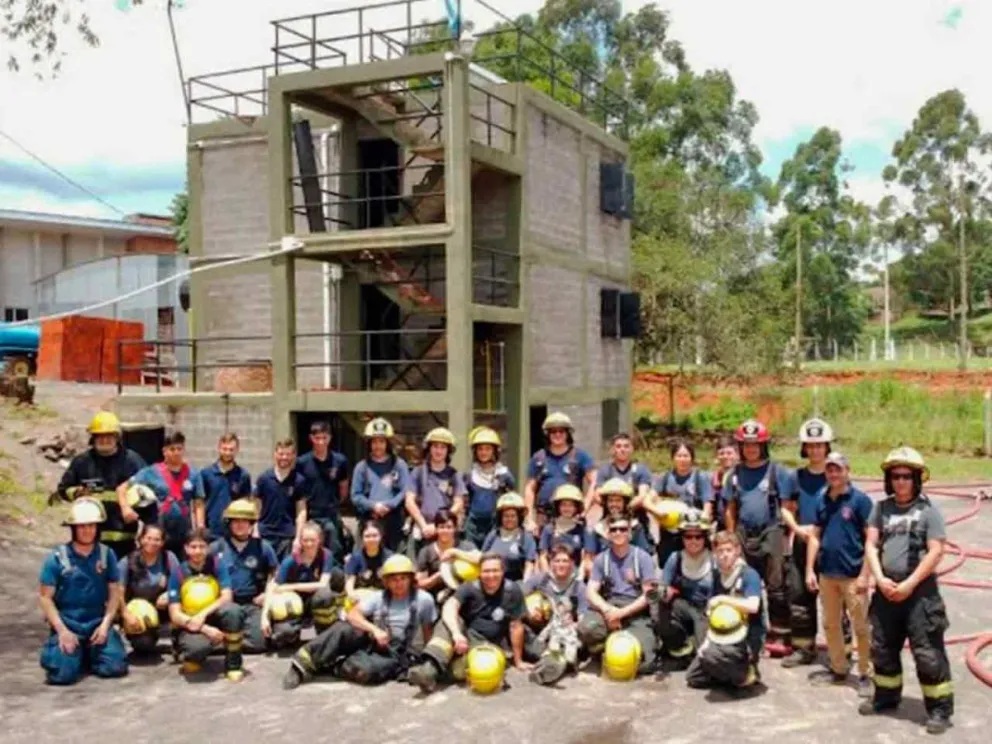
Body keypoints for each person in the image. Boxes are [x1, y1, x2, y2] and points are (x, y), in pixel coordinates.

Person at [860, 447, 953, 735]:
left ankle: (939, 709)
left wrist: (909, 584)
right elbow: (871, 545)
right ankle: (886, 697)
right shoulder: (881, 509)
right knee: (883, 648)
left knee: (927, 652)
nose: (900, 481)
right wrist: (879, 579)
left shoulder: (928, 512)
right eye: (895, 476)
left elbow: (936, 551)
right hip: (887, 591)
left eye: (906, 476)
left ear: (916, 479)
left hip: (919, 594)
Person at [282, 554, 437, 689]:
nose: (399, 583)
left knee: (367, 672)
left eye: (403, 578)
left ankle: (334, 667)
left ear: (411, 579)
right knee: (344, 628)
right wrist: (374, 630)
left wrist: (426, 661)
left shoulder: (424, 600)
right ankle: (300, 665)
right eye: (394, 579)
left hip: (396, 655)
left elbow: (427, 631)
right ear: (386, 582)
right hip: (373, 642)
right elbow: (352, 615)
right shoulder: (378, 597)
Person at [407, 553, 531, 693]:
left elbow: (516, 626)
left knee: (466, 670)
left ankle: (438, 674)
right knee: (448, 622)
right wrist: (457, 634)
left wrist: (518, 660)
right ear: (480, 572)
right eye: (486, 571)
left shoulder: (512, 590)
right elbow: (450, 606)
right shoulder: (469, 587)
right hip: (464, 636)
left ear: (503, 571)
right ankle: (428, 670)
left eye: (495, 570)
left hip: (486, 644)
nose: (491, 575)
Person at [723, 419, 796, 654]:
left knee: (776, 585)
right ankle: (751, 632)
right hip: (744, 532)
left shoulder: (778, 471)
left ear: (763, 446)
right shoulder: (734, 474)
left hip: (771, 530)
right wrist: (731, 536)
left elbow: (788, 505)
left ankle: (780, 635)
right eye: (746, 445)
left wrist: (786, 538)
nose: (750, 449)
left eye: (755, 445)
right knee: (745, 582)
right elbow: (730, 507)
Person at [38, 498, 129, 686]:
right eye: (81, 526)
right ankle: (67, 654)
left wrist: (105, 625)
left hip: (96, 623)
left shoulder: (106, 554)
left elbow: (114, 592)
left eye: (91, 526)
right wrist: (62, 631)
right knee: (62, 675)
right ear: (73, 528)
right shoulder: (57, 558)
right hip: (68, 624)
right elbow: (45, 598)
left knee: (114, 668)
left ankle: (88, 654)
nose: (87, 531)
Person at [805, 452, 873, 697]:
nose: (834, 474)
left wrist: (866, 574)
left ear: (848, 471)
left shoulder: (861, 501)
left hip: (854, 575)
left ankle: (866, 673)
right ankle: (838, 668)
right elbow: (815, 535)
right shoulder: (822, 499)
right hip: (827, 575)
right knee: (831, 625)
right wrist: (809, 569)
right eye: (830, 470)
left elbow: (871, 540)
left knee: (861, 627)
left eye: (838, 469)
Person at [54, 411, 146, 560]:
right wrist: (77, 492)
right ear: (93, 438)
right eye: (100, 436)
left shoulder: (132, 461)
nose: (105, 440)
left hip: (123, 540)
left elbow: (148, 490)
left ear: (117, 437)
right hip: (88, 539)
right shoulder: (82, 462)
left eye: (109, 436)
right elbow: (63, 489)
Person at [578, 515, 659, 677]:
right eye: (614, 529)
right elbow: (591, 591)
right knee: (586, 628)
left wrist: (621, 614)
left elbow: (649, 595)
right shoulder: (602, 559)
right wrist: (608, 611)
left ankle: (637, 640)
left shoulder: (642, 558)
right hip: (610, 606)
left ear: (629, 533)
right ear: (608, 534)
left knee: (646, 663)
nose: (618, 533)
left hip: (635, 611)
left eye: (623, 529)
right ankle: (600, 649)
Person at [782, 417, 833, 668]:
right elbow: (786, 509)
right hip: (803, 544)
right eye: (810, 445)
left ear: (827, 447)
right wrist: (796, 529)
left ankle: (839, 652)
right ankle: (803, 648)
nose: (815, 450)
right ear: (804, 448)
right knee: (800, 596)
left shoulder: (836, 474)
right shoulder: (795, 477)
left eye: (820, 445)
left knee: (835, 599)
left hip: (831, 546)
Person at [685, 531, 764, 690]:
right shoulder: (716, 576)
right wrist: (705, 643)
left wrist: (723, 600)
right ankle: (728, 675)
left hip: (746, 638)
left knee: (710, 657)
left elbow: (753, 606)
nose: (724, 555)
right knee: (693, 677)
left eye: (728, 550)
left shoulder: (749, 574)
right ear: (714, 553)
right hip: (721, 635)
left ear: (737, 551)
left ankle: (745, 672)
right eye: (720, 551)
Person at [167, 528, 245, 681]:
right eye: (193, 547)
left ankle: (233, 664)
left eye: (202, 547)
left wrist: (203, 615)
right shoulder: (178, 572)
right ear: (186, 548)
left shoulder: (217, 565)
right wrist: (204, 628)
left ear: (208, 548)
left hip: (210, 615)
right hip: (190, 622)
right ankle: (186, 651)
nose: (198, 551)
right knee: (197, 650)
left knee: (234, 611)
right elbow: (174, 614)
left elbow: (227, 596)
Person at [209, 499, 280, 655]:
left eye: (244, 521)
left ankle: (227, 642)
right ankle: (229, 639)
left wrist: (267, 594)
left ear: (251, 524)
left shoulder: (263, 547)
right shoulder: (216, 548)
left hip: (251, 604)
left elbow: (274, 575)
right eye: (235, 521)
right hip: (225, 605)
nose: (240, 525)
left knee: (259, 644)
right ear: (229, 524)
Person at [119, 428, 201, 558]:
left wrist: (199, 530)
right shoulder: (150, 473)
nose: (176, 453)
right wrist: (125, 508)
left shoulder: (194, 474)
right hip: (157, 534)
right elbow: (122, 488)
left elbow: (198, 504)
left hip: (183, 534)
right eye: (172, 449)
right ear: (164, 451)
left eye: (179, 449)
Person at [264, 521, 345, 649]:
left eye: (313, 540)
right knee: (284, 634)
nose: (309, 544)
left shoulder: (326, 555)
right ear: (300, 541)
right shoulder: (290, 561)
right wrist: (265, 617)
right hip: (294, 606)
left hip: (314, 601)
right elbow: (272, 587)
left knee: (325, 594)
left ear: (320, 540)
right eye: (305, 540)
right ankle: (297, 631)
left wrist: (291, 586)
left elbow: (323, 584)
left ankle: (324, 634)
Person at [656, 509, 715, 671]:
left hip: (708, 612)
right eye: (688, 536)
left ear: (705, 537)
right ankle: (678, 646)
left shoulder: (715, 560)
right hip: (684, 609)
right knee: (658, 607)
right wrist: (664, 594)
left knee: (705, 654)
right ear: (681, 538)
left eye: (698, 536)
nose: (693, 541)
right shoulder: (675, 558)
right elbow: (661, 587)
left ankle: (694, 651)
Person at [524, 540, 588, 686]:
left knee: (563, 652)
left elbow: (583, 615)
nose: (561, 564)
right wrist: (529, 612)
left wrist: (575, 625)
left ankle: (548, 669)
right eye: (557, 560)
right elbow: (518, 597)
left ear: (572, 563)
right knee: (523, 631)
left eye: (565, 561)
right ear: (551, 563)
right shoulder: (540, 579)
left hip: (566, 635)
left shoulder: (579, 586)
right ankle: (549, 661)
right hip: (543, 631)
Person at [524, 412, 596, 534]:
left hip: (571, 517)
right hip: (544, 517)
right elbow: (530, 489)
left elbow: (595, 482)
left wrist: (585, 507)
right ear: (548, 434)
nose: (557, 434)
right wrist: (529, 518)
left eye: (561, 431)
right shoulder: (539, 457)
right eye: (553, 431)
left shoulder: (580, 456)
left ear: (568, 433)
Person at [648, 438, 713, 569]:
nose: (682, 459)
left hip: (693, 533)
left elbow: (708, 503)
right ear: (673, 458)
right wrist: (656, 512)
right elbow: (647, 500)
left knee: (695, 568)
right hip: (670, 533)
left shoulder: (700, 477)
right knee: (669, 568)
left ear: (692, 458)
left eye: (686, 456)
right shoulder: (665, 478)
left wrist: (705, 519)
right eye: (679, 455)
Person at [118, 522, 181, 657]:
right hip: (137, 614)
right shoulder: (127, 562)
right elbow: (117, 592)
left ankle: (176, 636)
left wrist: (170, 594)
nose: (152, 542)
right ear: (140, 539)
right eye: (148, 538)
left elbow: (181, 584)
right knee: (143, 645)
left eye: (157, 539)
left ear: (163, 542)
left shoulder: (169, 558)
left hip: (164, 610)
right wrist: (126, 615)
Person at [351, 417, 411, 553]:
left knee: (395, 559)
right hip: (369, 520)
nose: (378, 446)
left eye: (382, 441)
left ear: (388, 443)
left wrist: (389, 505)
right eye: (374, 442)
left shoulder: (399, 465)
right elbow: (355, 496)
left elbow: (405, 490)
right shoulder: (362, 467)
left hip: (393, 520)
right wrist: (373, 505)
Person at [405, 427, 466, 558]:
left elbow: (458, 503)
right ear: (429, 448)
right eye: (435, 446)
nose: (439, 451)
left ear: (448, 451)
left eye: (443, 447)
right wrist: (423, 525)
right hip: (421, 531)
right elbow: (409, 501)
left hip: (446, 531)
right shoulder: (418, 472)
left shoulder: (454, 475)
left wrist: (439, 526)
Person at [295, 421, 351, 565]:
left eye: (324, 438)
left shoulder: (339, 461)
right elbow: (298, 491)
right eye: (317, 438)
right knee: (310, 550)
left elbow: (343, 486)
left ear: (330, 438)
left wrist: (336, 503)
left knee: (335, 551)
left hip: (331, 514)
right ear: (311, 438)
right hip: (311, 515)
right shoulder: (302, 462)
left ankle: (335, 580)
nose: (321, 442)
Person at [458, 427, 515, 548]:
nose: (483, 452)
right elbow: (464, 502)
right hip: (473, 525)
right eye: (480, 449)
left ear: (495, 451)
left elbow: (511, 501)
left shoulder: (504, 475)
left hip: (495, 524)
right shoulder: (469, 475)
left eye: (488, 449)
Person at [252, 439, 307, 561]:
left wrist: (298, 538)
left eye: (288, 454)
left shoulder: (299, 481)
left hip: (287, 536)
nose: (284, 457)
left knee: (285, 575)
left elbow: (301, 511)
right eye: (281, 454)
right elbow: (255, 509)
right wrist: (255, 532)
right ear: (275, 454)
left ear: (293, 455)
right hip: (265, 535)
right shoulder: (264, 479)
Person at [583, 478, 651, 577]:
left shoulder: (635, 527)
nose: (614, 504)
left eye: (618, 501)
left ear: (625, 503)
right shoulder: (597, 529)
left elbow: (645, 558)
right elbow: (588, 562)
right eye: (610, 501)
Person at [194, 432, 252, 542]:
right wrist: (200, 527)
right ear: (219, 448)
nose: (228, 453)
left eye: (231, 449)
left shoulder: (243, 475)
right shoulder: (206, 473)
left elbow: (246, 504)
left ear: (237, 450)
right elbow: (199, 502)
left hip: (234, 533)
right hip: (211, 532)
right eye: (225, 449)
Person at [415, 509, 481, 604]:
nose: (445, 531)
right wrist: (437, 577)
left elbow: (481, 559)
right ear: (436, 529)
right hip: (436, 598)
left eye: (449, 527)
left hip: (465, 596)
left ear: (455, 529)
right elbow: (419, 584)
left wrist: (454, 552)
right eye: (441, 527)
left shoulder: (466, 546)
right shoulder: (426, 552)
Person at [592, 432, 652, 529]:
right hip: (610, 521)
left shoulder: (641, 470)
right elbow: (597, 494)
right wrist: (613, 507)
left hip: (637, 521)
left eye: (626, 446)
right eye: (618, 446)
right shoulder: (605, 470)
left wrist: (625, 508)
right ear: (613, 449)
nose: (622, 449)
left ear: (632, 449)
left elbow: (642, 495)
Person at [482, 492, 538, 583]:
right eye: (506, 516)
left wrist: (524, 586)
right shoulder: (493, 534)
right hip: (491, 581)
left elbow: (529, 565)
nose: (509, 519)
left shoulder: (526, 538)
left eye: (513, 516)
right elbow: (482, 558)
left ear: (519, 517)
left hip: (514, 585)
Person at [538, 484, 586, 570]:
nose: (567, 508)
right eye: (564, 505)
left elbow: (585, 558)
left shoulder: (582, 530)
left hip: (574, 576)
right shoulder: (549, 529)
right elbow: (543, 556)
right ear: (558, 506)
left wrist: (579, 578)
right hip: (553, 574)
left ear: (576, 507)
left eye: (571, 505)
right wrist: (548, 576)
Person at [345, 520, 394, 598]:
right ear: (362, 538)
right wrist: (351, 595)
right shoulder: (356, 557)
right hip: (361, 595)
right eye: (367, 536)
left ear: (381, 536)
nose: (371, 539)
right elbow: (350, 582)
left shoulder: (390, 557)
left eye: (375, 536)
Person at [711, 435, 738, 530]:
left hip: (739, 527)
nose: (725, 456)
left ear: (737, 454)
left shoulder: (742, 475)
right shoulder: (714, 477)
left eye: (729, 453)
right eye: (721, 453)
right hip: (720, 527)